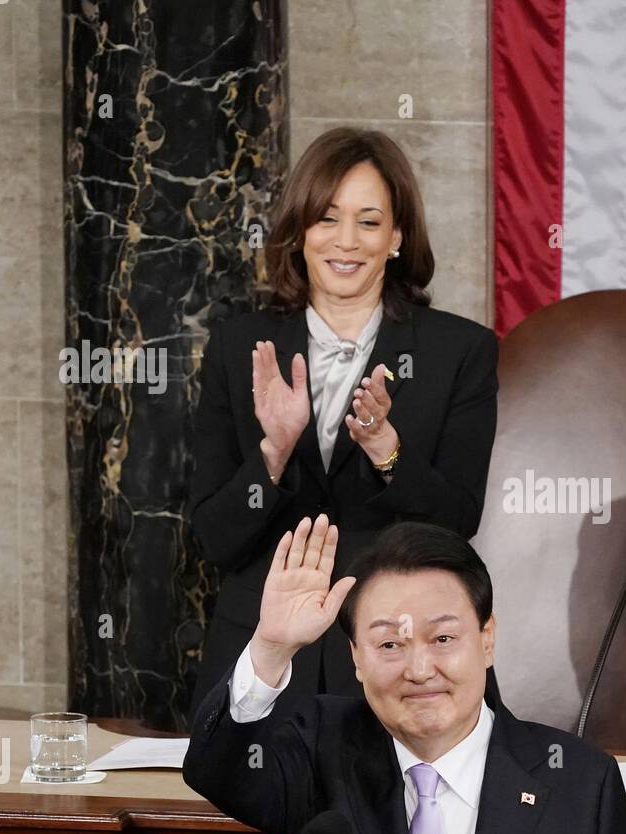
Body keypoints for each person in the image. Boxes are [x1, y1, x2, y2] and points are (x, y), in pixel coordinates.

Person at [183, 517, 626, 834]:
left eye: (443, 639)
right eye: (390, 644)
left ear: (487, 638)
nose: (419, 669)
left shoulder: (579, 780)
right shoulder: (318, 747)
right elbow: (216, 768)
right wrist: (271, 648)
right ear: (356, 658)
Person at [188, 128, 498, 718]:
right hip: (268, 658)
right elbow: (213, 538)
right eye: (327, 218)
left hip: (402, 661)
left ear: (398, 237)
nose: (346, 241)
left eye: (370, 221)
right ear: (300, 233)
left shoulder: (459, 350)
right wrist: (273, 457)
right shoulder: (238, 347)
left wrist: (386, 449)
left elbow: (457, 524)